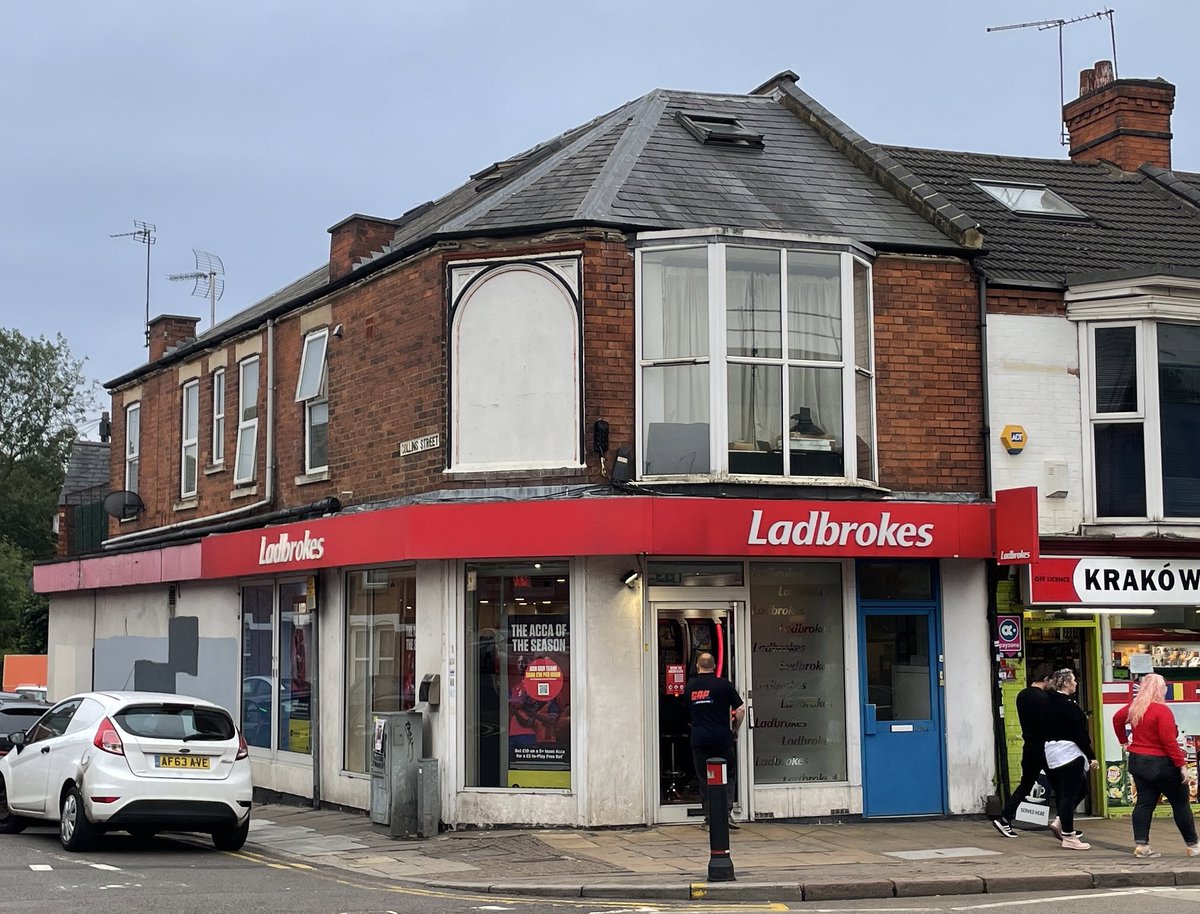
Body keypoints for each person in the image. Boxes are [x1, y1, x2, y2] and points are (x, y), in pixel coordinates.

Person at [1113, 673, 1200, 858]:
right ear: (1161, 689)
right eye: (1165, 686)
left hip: (1138, 760)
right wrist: (1182, 765)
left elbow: (1116, 719)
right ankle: (1193, 845)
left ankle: (1142, 846)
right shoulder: (1162, 711)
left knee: (1144, 803)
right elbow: (1169, 741)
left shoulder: (1135, 708)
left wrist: (1123, 741)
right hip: (1162, 763)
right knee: (1180, 803)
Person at [991, 663, 1054, 838]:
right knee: (1063, 784)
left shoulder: (1022, 695)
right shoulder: (1044, 699)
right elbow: (1049, 722)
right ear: (1046, 679)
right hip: (1044, 747)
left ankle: (1005, 817)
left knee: (1026, 784)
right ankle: (1064, 826)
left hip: (1029, 745)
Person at [685, 651, 744, 830]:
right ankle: (725, 813)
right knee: (728, 774)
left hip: (700, 739)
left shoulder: (690, 687)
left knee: (705, 778)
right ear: (714, 665)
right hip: (722, 738)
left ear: (697, 666)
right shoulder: (724, 685)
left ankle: (710, 818)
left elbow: (686, 713)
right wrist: (735, 729)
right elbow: (740, 709)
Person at [1042, 668, 1096, 850]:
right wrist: (1091, 756)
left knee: (1081, 789)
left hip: (1052, 752)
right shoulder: (1068, 706)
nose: (1076, 683)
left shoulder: (1048, 703)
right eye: (1073, 680)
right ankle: (1069, 836)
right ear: (1065, 682)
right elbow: (1079, 734)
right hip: (1068, 753)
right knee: (1069, 794)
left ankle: (1060, 821)